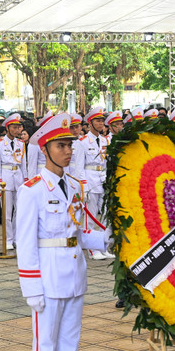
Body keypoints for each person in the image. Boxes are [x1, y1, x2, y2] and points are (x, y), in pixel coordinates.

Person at [17, 113, 110, 351]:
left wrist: (110, 238)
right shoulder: (32, 190)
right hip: (47, 279)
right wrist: (31, 287)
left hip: (74, 276)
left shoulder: (74, 186)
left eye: (70, 145)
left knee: (68, 349)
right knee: (46, 350)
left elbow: (79, 234)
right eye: (61, 146)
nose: (68, 151)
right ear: (45, 150)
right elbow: (25, 242)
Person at [73, 106, 112, 260]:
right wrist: (83, 187)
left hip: (103, 179)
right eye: (98, 120)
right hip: (90, 180)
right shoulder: (82, 142)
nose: (101, 123)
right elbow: (79, 167)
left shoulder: (104, 140)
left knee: (106, 215)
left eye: (102, 120)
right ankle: (92, 248)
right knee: (91, 216)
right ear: (90, 123)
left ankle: (103, 245)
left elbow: (106, 162)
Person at [0, 114, 27, 250]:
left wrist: (25, 182)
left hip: (18, 178)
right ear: (7, 128)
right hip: (5, 180)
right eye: (14, 127)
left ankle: (17, 238)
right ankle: (8, 239)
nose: (17, 130)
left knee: (20, 211)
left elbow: (23, 165)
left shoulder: (21, 144)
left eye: (18, 127)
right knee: (6, 213)